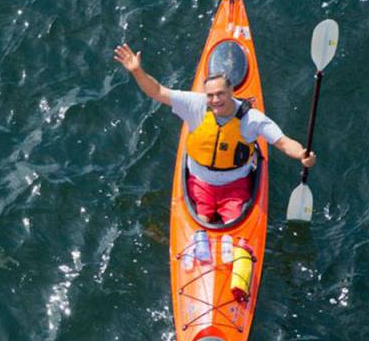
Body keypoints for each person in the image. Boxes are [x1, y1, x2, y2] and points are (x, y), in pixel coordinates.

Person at [113, 43, 315, 224]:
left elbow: (283, 142)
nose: (215, 100)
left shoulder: (252, 118)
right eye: (210, 95)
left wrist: (302, 155)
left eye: (221, 94)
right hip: (200, 184)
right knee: (201, 220)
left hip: (235, 186)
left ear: (232, 92)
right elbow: (157, 91)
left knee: (233, 222)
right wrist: (137, 71)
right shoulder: (195, 104)